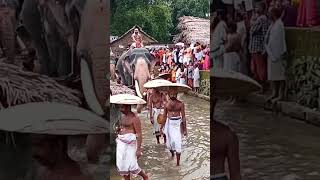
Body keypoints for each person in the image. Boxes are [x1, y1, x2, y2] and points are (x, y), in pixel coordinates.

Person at [115, 97, 149, 180]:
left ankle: (145, 176)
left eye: (122, 107)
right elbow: (120, 127)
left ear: (127, 107)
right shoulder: (121, 116)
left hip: (131, 144)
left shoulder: (135, 118)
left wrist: (138, 149)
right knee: (122, 165)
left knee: (132, 166)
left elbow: (139, 134)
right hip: (121, 144)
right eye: (120, 107)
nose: (120, 109)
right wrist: (118, 130)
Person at [265, 8, 287, 104]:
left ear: (273, 14)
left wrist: (278, 54)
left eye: (270, 13)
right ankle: (274, 92)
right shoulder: (272, 24)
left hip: (278, 53)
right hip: (271, 53)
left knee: (280, 75)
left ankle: (281, 95)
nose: (268, 15)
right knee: (273, 75)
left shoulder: (279, 24)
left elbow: (279, 41)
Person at [160, 87, 187, 166]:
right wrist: (161, 127)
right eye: (171, 94)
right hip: (169, 124)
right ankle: (172, 154)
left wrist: (185, 129)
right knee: (169, 144)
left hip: (177, 124)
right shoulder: (166, 104)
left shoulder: (181, 104)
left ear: (177, 94)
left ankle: (178, 163)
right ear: (168, 94)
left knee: (177, 143)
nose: (173, 95)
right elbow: (164, 116)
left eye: (174, 94)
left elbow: (184, 117)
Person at [249, 2, 269, 89]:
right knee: (255, 68)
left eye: (258, 7)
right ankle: (258, 86)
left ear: (262, 9)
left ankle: (262, 86)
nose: (256, 9)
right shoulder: (258, 18)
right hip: (254, 47)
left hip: (258, 47)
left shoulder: (262, 18)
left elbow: (253, 30)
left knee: (260, 68)